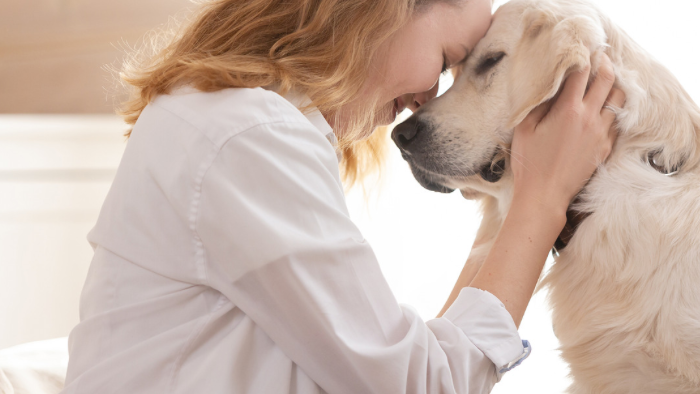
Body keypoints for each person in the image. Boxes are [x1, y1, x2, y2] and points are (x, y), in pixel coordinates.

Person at [61, 0, 624, 393]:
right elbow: (424, 386)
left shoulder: (233, 118)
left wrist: (514, 196)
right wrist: (542, 201)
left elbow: (419, 364)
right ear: (379, 9)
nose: (429, 97)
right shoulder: (248, 135)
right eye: (448, 59)